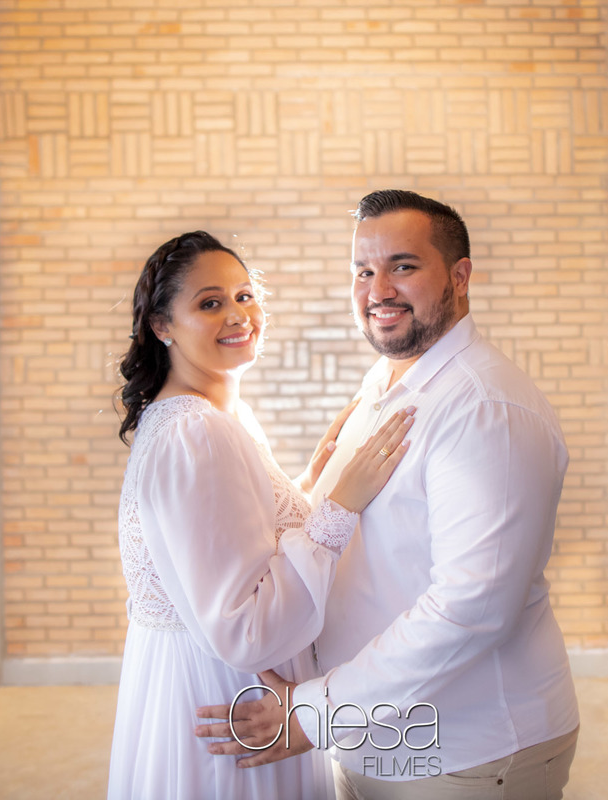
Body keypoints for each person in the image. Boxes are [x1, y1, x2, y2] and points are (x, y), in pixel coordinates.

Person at [196, 191, 580, 800]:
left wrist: (312, 713)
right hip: (374, 736)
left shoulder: (484, 409)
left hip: (467, 751)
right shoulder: (387, 381)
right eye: (363, 271)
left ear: (459, 276)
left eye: (403, 266)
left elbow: (470, 609)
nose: (378, 290)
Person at [108, 230, 415, 800]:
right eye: (210, 302)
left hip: (207, 684)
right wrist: (340, 505)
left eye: (244, 295)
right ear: (162, 325)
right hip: (230, 697)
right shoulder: (196, 432)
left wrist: (307, 484)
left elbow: (229, 539)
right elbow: (244, 628)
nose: (238, 315)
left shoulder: (207, 417)